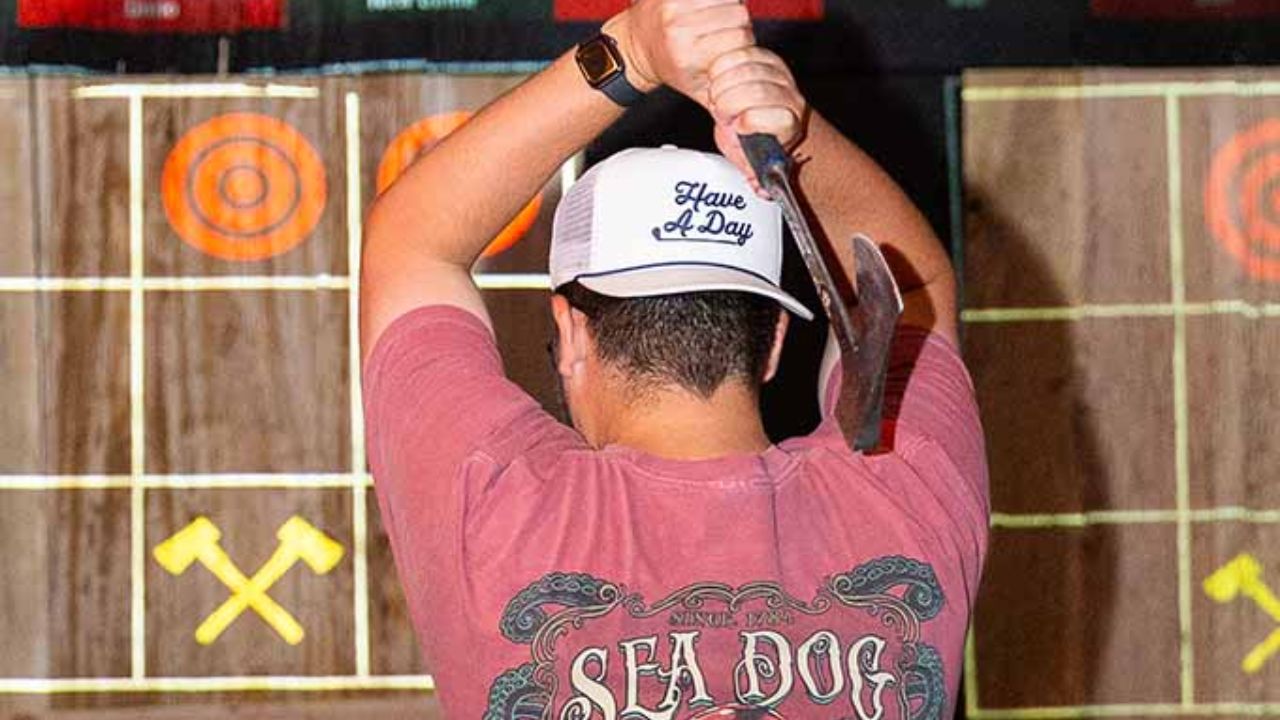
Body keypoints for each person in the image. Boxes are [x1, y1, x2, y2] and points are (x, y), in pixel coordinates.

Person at [359, 1, 988, 717]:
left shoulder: (500, 516)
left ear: (571, 336)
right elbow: (909, 287)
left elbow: (410, 246)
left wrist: (630, 53)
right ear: (776, 338)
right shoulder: (902, 508)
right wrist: (789, 137)